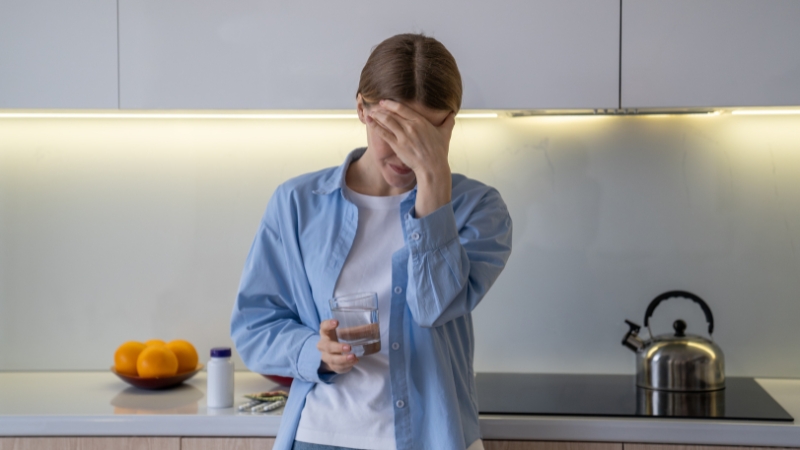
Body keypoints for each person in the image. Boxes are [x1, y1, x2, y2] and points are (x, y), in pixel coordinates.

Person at [231, 33, 513, 450]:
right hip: (320, 437)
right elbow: (255, 326)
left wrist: (434, 181)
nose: (405, 154)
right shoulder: (296, 203)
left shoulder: (479, 209)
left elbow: (434, 308)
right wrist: (315, 351)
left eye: (423, 136)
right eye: (392, 131)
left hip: (432, 439)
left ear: (449, 123)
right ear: (362, 109)